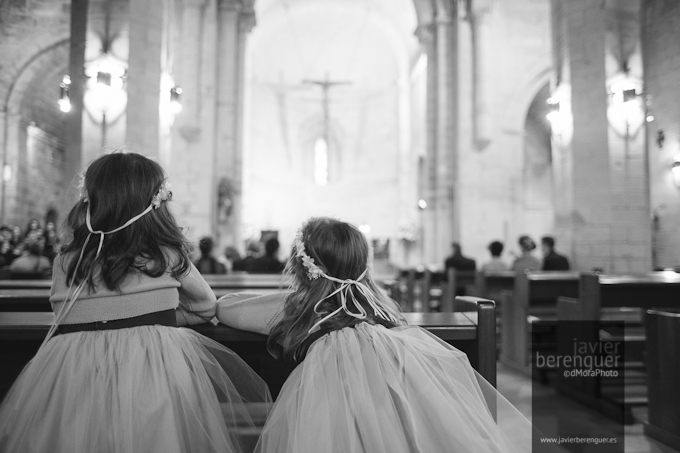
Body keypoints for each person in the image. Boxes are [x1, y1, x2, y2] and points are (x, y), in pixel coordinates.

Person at [0, 152, 270, 453]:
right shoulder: (166, 254)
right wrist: (160, 316)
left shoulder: (67, 259)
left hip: (75, 367)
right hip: (151, 365)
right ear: (155, 204)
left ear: (92, 200)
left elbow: (65, 312)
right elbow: (206, 306)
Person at [217, 217, 541, 453]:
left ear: (303, 266)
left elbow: (227, 308)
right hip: (395, 415)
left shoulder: (299, 307)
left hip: (329, 408)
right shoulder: (381, 305)